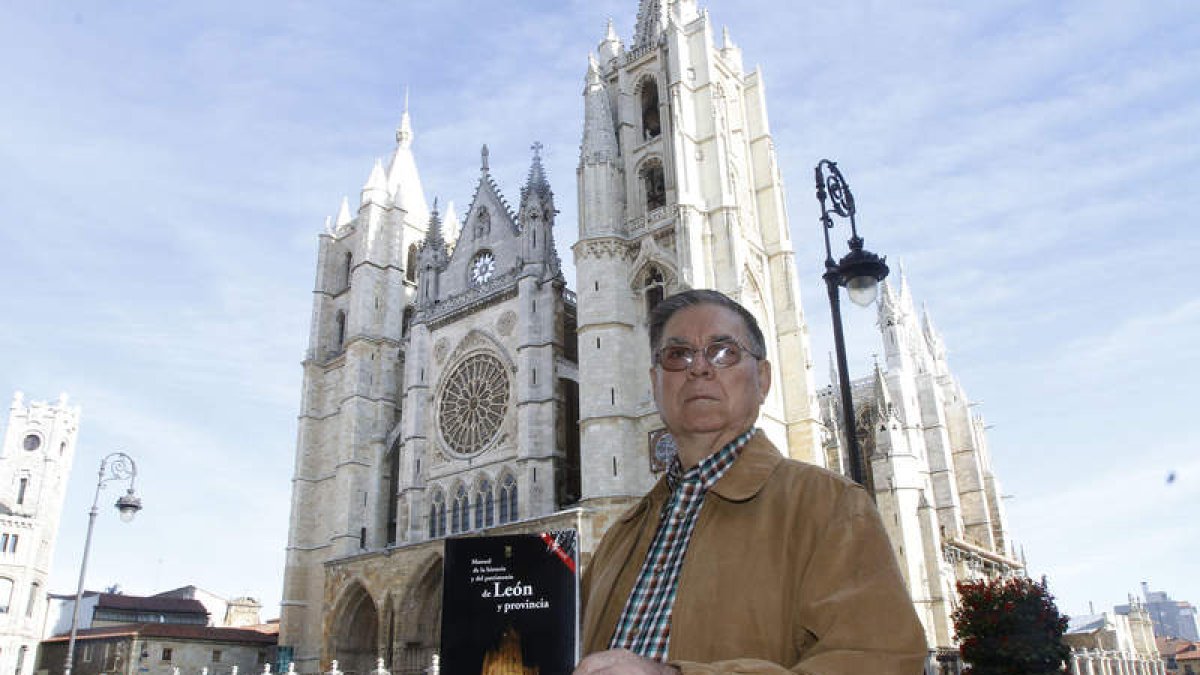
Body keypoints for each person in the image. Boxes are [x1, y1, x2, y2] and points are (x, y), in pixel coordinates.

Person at [574, 289, 928, 675]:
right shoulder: (617, 539)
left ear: (762, 378)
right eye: (678, 355)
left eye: (723, 351)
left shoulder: (830, 507)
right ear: (655, 381)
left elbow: (879, 662)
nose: (699, 368)